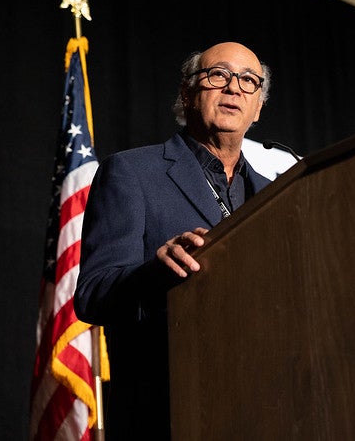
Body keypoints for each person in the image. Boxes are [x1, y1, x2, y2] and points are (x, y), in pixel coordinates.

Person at [74, 41, 273, 439]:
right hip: (164, 411)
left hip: (263, 409)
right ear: (187, 92)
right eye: (219, 75)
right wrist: (155, 273)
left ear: (258, 107)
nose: (234, 88)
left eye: (249, 81)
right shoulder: (133, 172)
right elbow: (93, 294)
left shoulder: (276, 195)